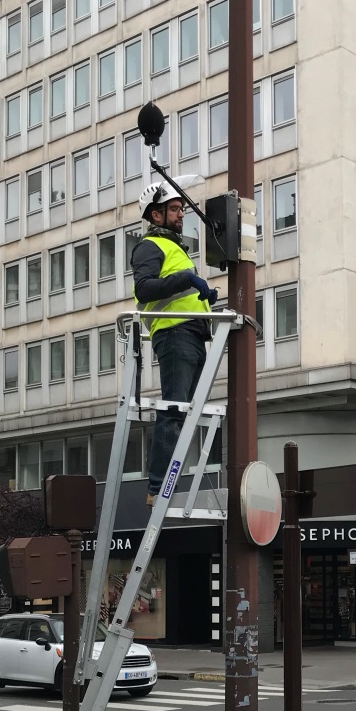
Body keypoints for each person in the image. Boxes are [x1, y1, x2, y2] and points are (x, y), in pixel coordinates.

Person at [130, 180, 218, 508]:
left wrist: (204, 298)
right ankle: (158, 487)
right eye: (175, 209)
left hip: (192, 333)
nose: (182, 214)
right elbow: (145, 289)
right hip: (175, 333)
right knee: (174, 410)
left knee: (184, 413)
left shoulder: (175, 249)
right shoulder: (150, 245)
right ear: (157, 213)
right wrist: (189, 279)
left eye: (181, 208)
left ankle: (164, 485)